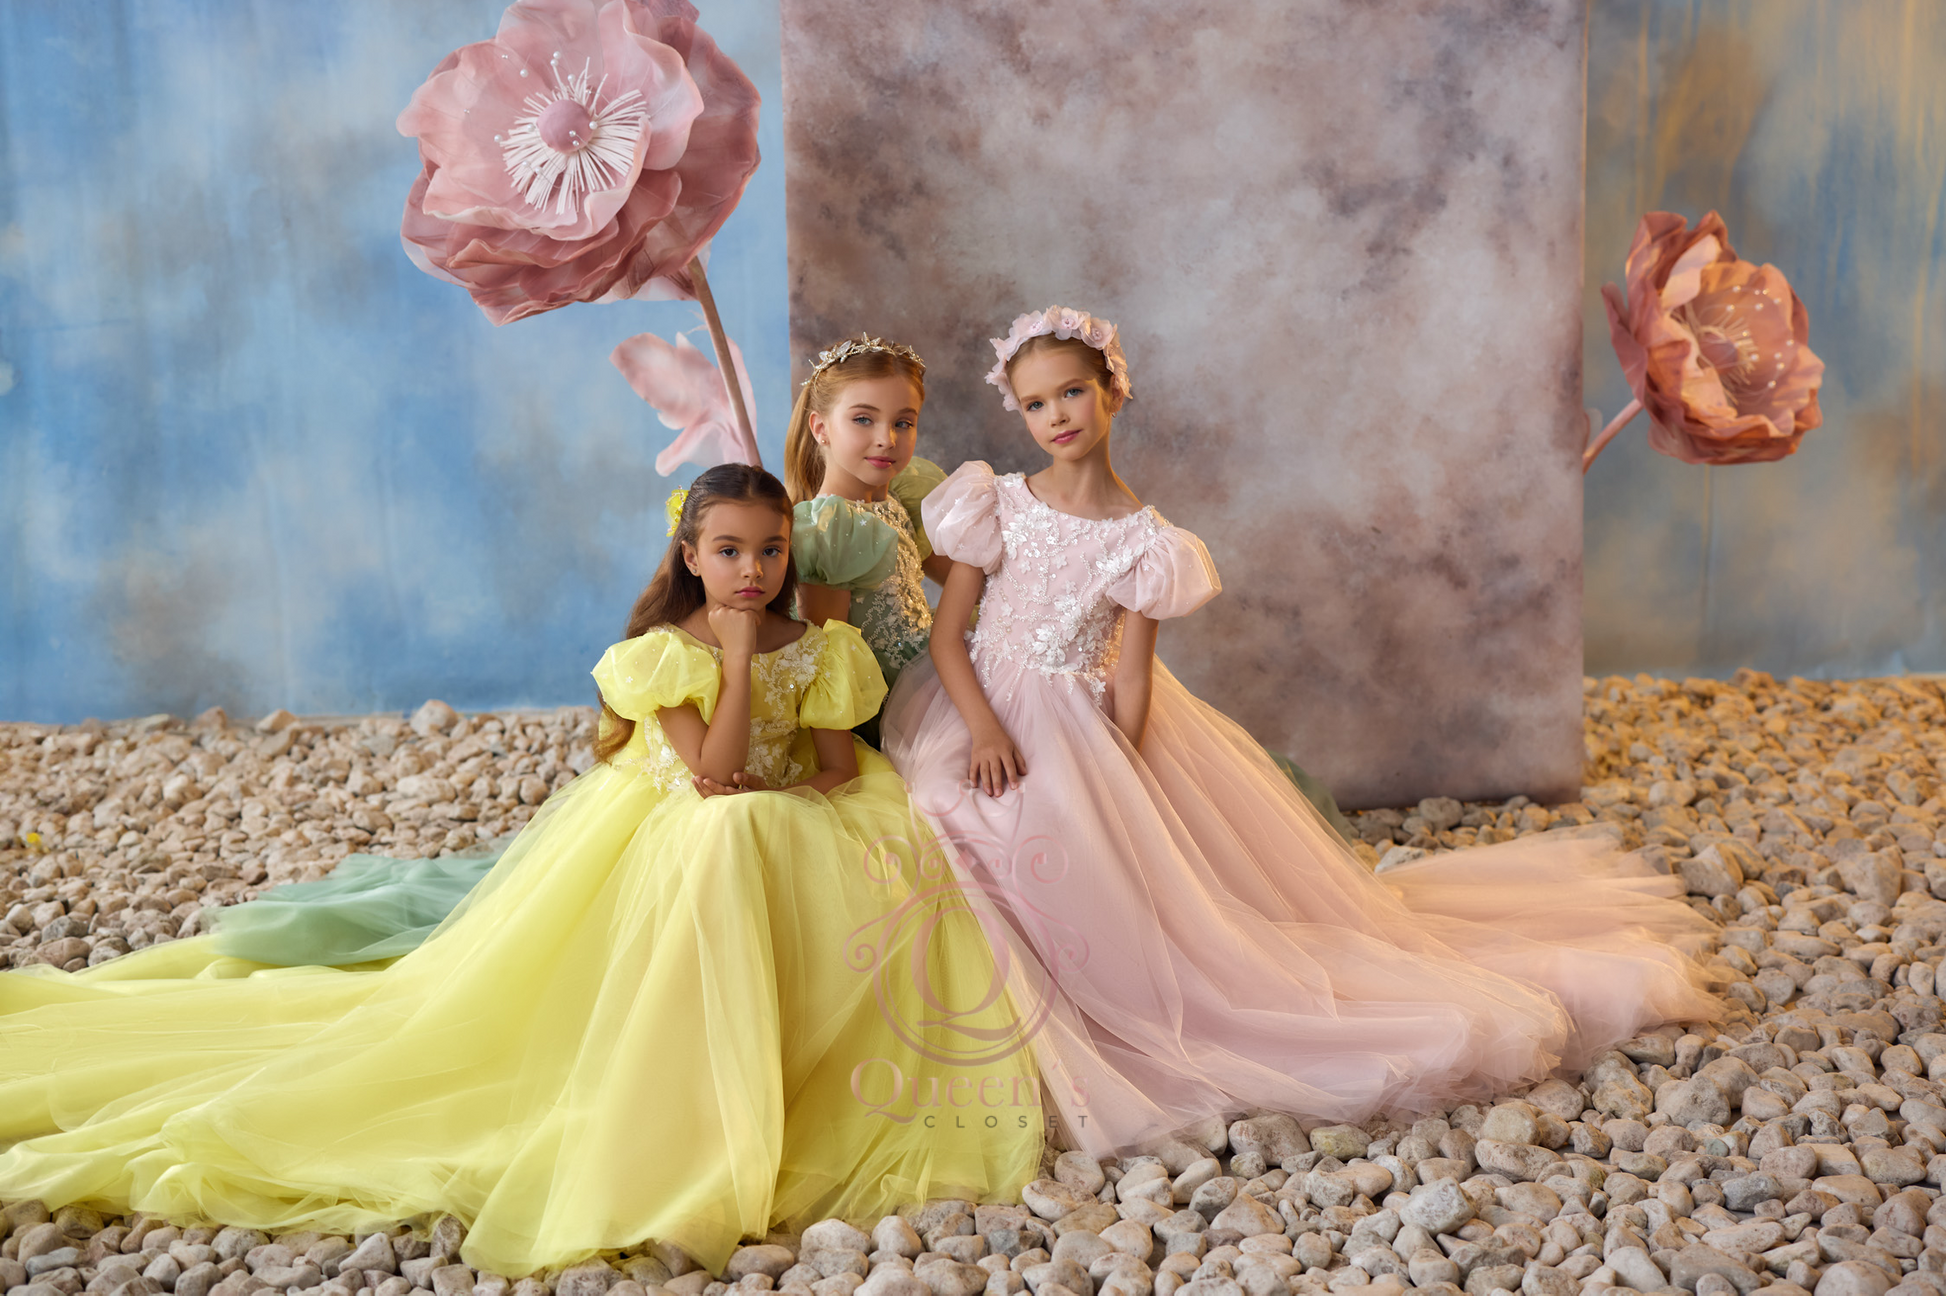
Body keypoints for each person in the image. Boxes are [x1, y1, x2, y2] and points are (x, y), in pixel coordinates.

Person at [0, 464, 1041, 1277]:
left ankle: (797, 1056)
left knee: (818, 842)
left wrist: (795, 795)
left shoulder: (818, 648)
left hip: (778, 813)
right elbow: (714, 776)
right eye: (729, 550)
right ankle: (692, 1103)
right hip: (687, 821)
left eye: (771, 551)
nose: (753, 572)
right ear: (690, 554)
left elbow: (832, 768)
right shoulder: (665, 653)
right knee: (726, 835)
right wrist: (733, 660)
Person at [880, 306, 1725, 1156]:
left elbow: (1130, 677)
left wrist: (1119, 780)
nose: (1055, 416)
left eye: (1071, 392)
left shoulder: (1145, 543)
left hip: (1085, 731)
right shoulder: (998, 504)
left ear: (1112, 392)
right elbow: (952, 639)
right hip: (979, 705)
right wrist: (985, 729)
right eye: (1034, 404)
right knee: (947, 806)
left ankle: (1075, 1020)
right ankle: (974, 1016)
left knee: (1060, 838)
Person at [782, 334, 950, 745]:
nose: (887, 439)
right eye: (863, 419)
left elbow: (967, 581)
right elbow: (828, 665)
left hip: (934, 681)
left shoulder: (903, 498)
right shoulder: (827, 527)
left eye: (903, 423)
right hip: (887, 716)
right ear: (821, 428)